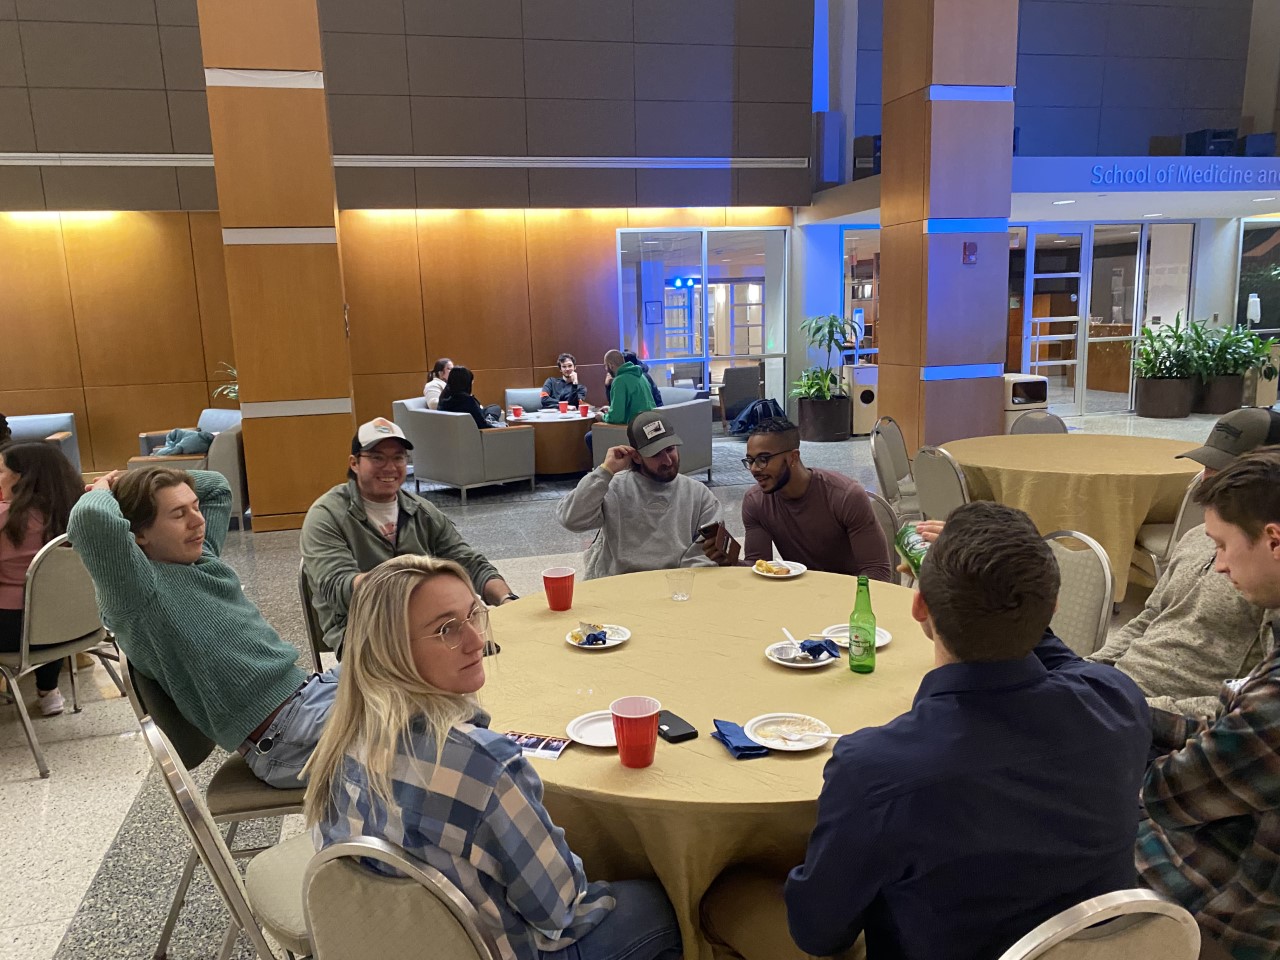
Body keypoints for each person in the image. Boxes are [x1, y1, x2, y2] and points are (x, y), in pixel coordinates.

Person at [704, 502, 1151, 960]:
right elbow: (1062, 660)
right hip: (1095, 944)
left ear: (918, 607)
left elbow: (819, 935)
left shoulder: (876, 770)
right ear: (1052, 607)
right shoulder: (1118, 701)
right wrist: (1009, 570)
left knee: (726, 893)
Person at [303, 554, 683, 960]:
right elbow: (559, 909)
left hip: (389, 943)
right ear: (391, 651)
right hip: (499, 950)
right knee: (668, 903)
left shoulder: (339, 736)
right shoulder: (483, 764)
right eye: (447, 629)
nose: (476, 641)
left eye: (473, 615)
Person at [68, 466, 339, 788]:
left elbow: (217, 487)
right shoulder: (138, 590)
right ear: (139, 534)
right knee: (397, 714)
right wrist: (105, 488)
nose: (197, 521)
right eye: (178, 514)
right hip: (289, 736)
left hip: (313, 695)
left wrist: (137, 480)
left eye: (195, 507)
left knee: (393, 668)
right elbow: (91, 520)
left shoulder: (198, 557)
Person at [1137, 448, 1280, 959]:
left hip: (1231, 918)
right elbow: (1227, 729)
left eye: (1222, 545)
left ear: (1274, 540)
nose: (1217, 564)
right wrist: (1125, 710)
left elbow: (1164, 794)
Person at [1089, 407, 1280, 716]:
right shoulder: (1193, 537)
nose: (1205, 480)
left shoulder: (1266, 578)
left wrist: (1140, 711)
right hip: (1119, 691)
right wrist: (1091, 669)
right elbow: (1150, 615)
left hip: (1163, 718)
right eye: (1206, 465)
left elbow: (1255, 706)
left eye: (1223, 472)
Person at [301, 418, 515, 657]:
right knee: (461, 656)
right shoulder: (326, 516)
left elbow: (469, 563)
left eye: (398, 457)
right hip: (362, 634)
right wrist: (416, 584)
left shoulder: (421, 510)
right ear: (355, 463)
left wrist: (507, 600)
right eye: (377, 458)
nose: (390, 467)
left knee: (502, 651)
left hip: (431, 625)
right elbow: (338, 587)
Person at [702, 417, 892, 581]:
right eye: (750, 461)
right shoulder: (756, 502)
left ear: (793, 457)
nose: (754, 469)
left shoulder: (845, 496)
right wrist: (730, 562)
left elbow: (878, 571)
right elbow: (759, 565)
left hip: (849, 593)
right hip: (797, 592)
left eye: (763, 459)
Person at [557, 410, 720, 580]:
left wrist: (680, 582)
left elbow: (706, 551)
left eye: (670, 449)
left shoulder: (698, 494)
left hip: (675, 584)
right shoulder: (612, 487)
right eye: (656, 454)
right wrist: (605, 471)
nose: (667, 461)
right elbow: (571, 519)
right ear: (636, 457)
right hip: (620, 584)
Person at [0, 442, 83, 716]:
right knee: (46, 603)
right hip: (76, 624)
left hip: (14, 634)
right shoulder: (81, 514)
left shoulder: (6, 519)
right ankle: (49, 691)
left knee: (29, 608)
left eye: (1, 471)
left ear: (21, 478)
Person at [598, 350, 655, 426]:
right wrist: (611, 410)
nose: (606, 369)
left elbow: (616, 418)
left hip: (635, 428)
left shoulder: (619, 381)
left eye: (605, 365)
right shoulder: (641, 376)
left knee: (591, 433)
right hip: (651, 424)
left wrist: (602, 417)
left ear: (611, 365)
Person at [438, 365, 502, 430]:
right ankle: (490, 420)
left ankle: (489, 419)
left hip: (451, 433)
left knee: (493, 407)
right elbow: (483, 426)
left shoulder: (443, 400)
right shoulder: (468, 401)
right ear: (467, 382)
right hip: (477, 434)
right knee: (495, 409)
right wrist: (501, 428)